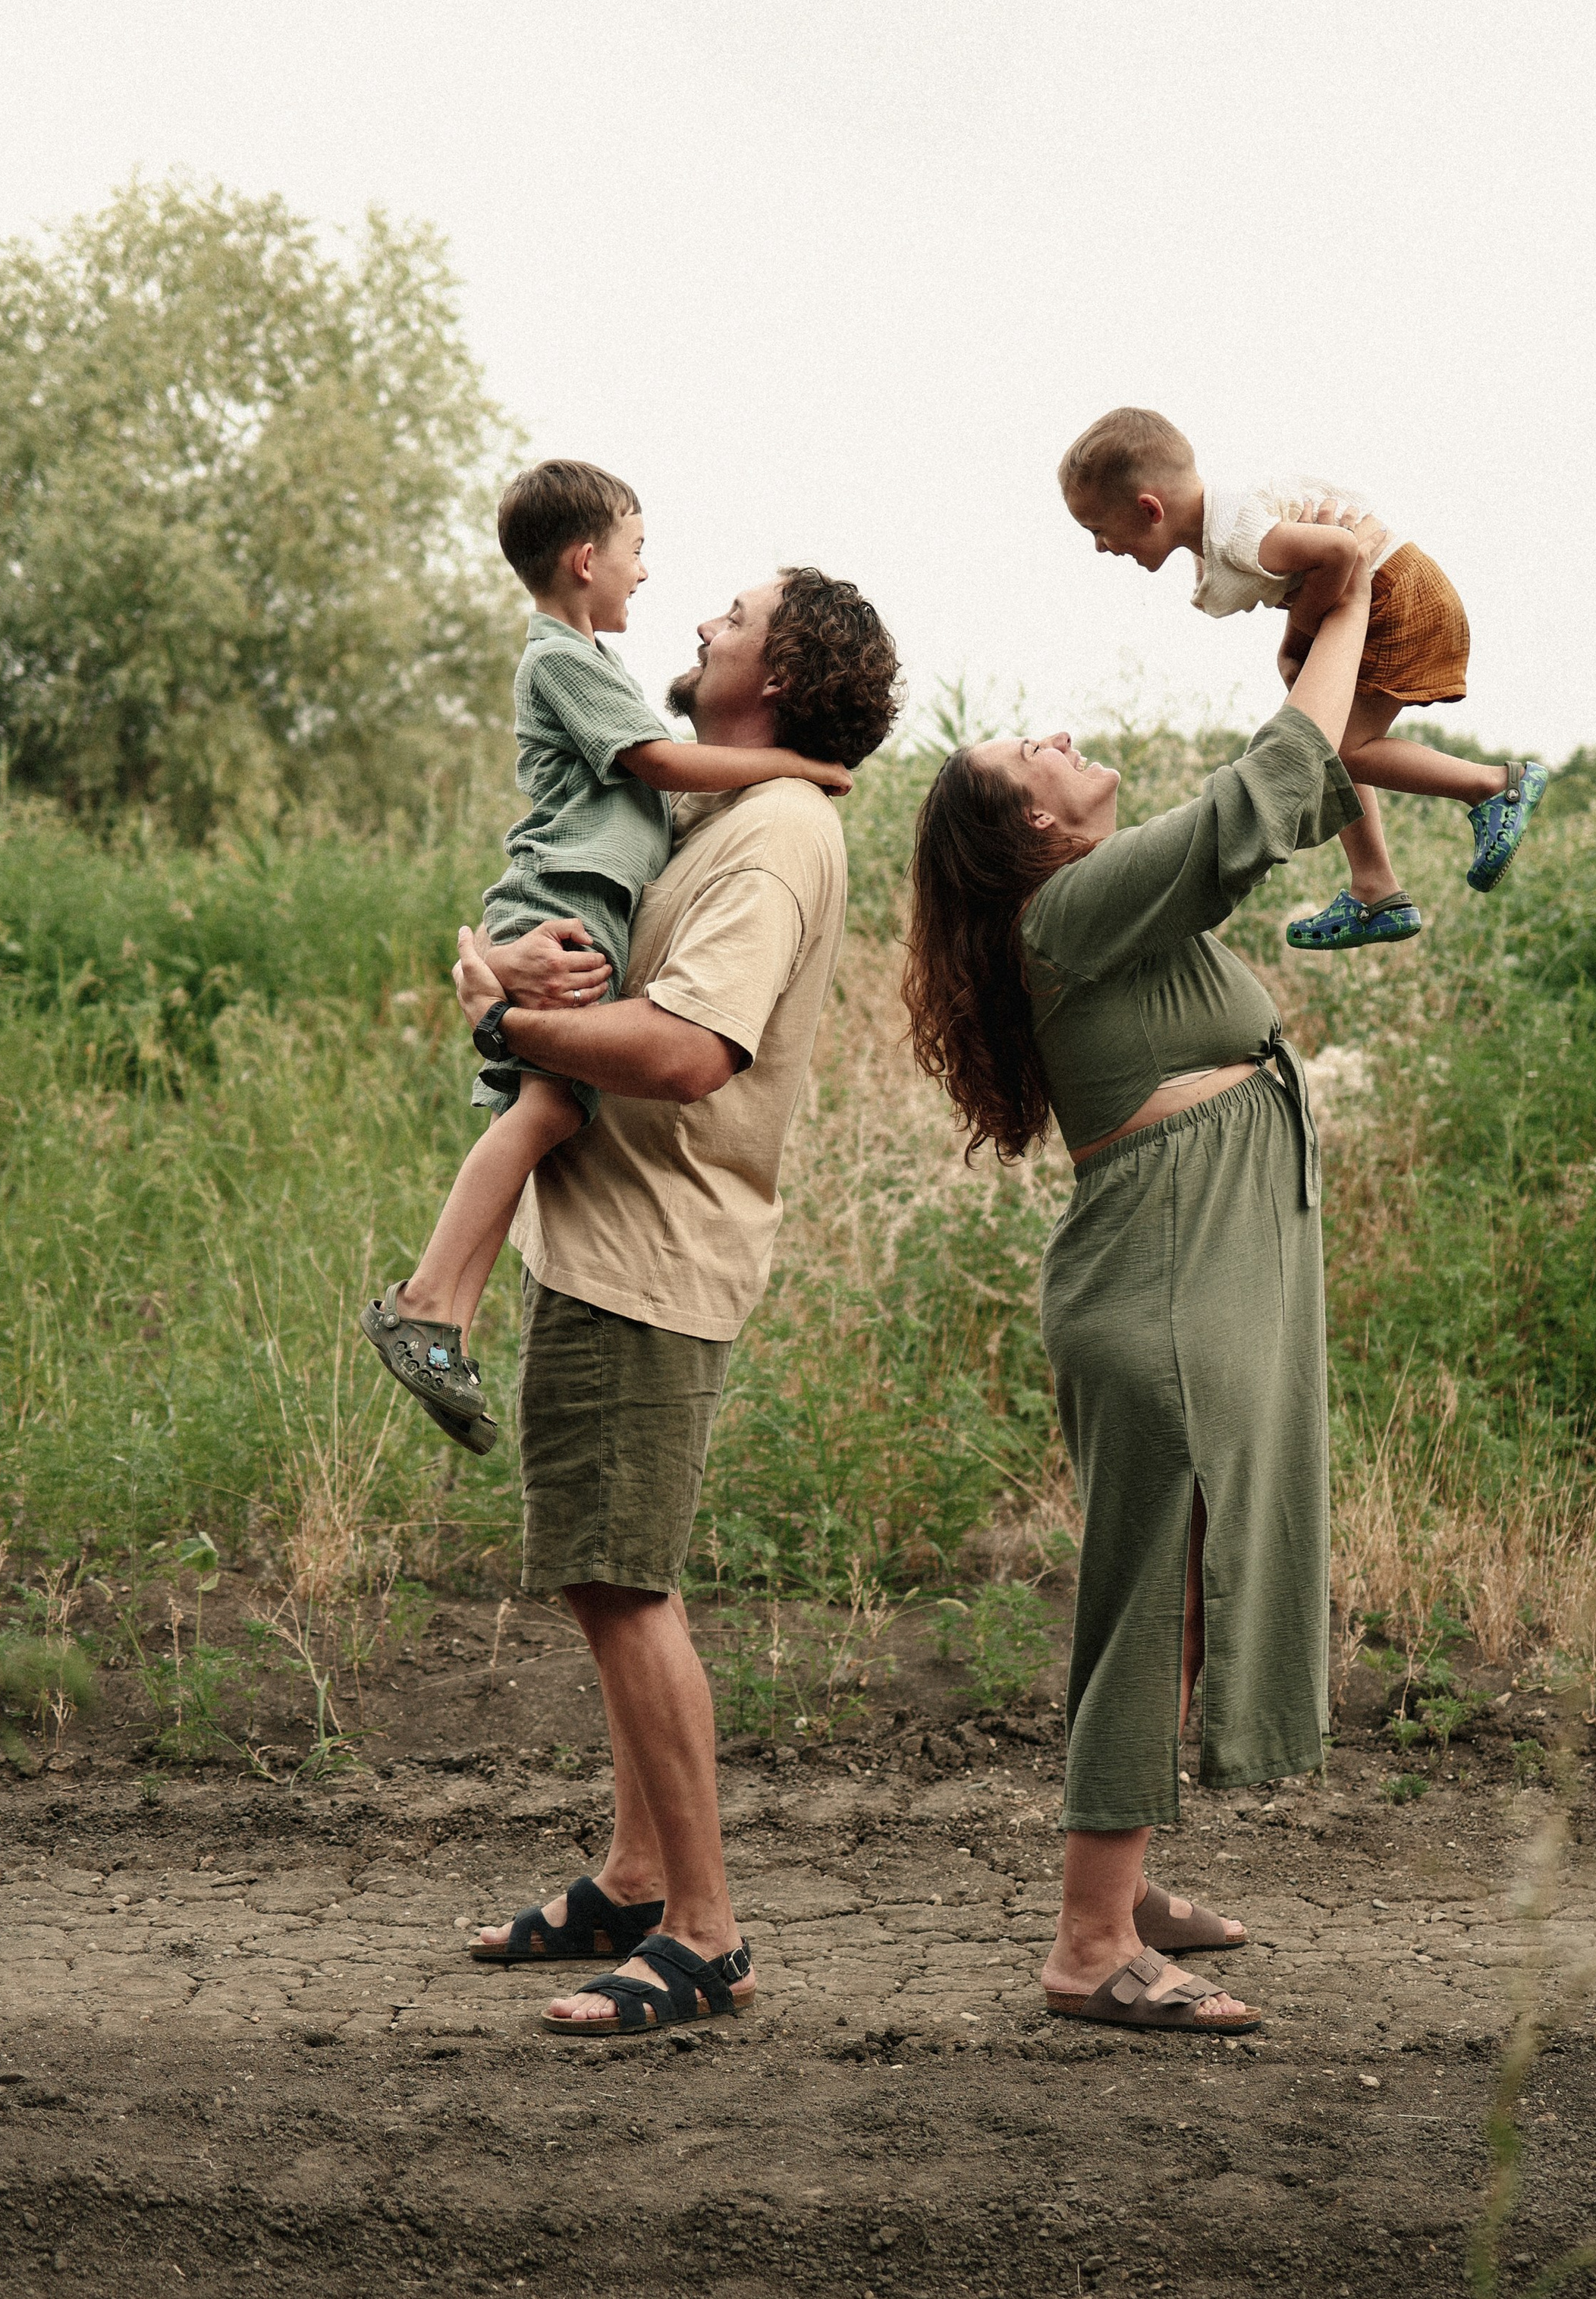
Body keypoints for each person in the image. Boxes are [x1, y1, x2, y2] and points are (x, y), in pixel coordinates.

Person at [901, 546, 1374, 2036]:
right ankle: (1089, 1943)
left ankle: (1126, 1873)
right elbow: (1252, 805)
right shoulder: (1070, 910)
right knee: (1149, 1601)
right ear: (1027, 831)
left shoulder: (1103, 916)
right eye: (1024, 754)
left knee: (1168, 1604)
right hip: (1162, 1290)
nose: (1052, 733)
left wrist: (1315, 650)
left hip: (1186, 1271)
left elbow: (1300, 785)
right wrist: (1345, 598)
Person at [460, 567, 901, 2038]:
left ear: (774, 675)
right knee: (614, 1568)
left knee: (621, 1582)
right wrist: (516, 966)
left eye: (730, 614)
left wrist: (504, 1021)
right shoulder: (723, 814)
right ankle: (634, 1878)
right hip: (618, 1241)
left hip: (650, 1251)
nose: (700, 622)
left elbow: (690, 1049)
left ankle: (704, 1934)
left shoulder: (773, 837)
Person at [360, 463, 853, 1454]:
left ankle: (445, 1316)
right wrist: (798, 764)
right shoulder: (561, 660)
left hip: (591, 910)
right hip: (566, 903)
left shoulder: (588, 660)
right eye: (636, 551)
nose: (648, 575)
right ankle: (423, 1301)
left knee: (544, 1113)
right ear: (587, 560)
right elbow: (661, 763)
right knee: (541, 1109)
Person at [1058, 405, 1549, 950]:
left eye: (1098, 530)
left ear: (1150, 508)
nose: (1101, 546)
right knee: (1324, 732)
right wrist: (1298, 645)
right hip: (1390, 591)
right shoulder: (1223, 530)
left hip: (1396, 596)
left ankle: (1493, 786)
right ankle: (1375, 886)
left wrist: (1301, 635)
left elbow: (1339, 551)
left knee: (1338, 745)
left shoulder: (1235, 535)